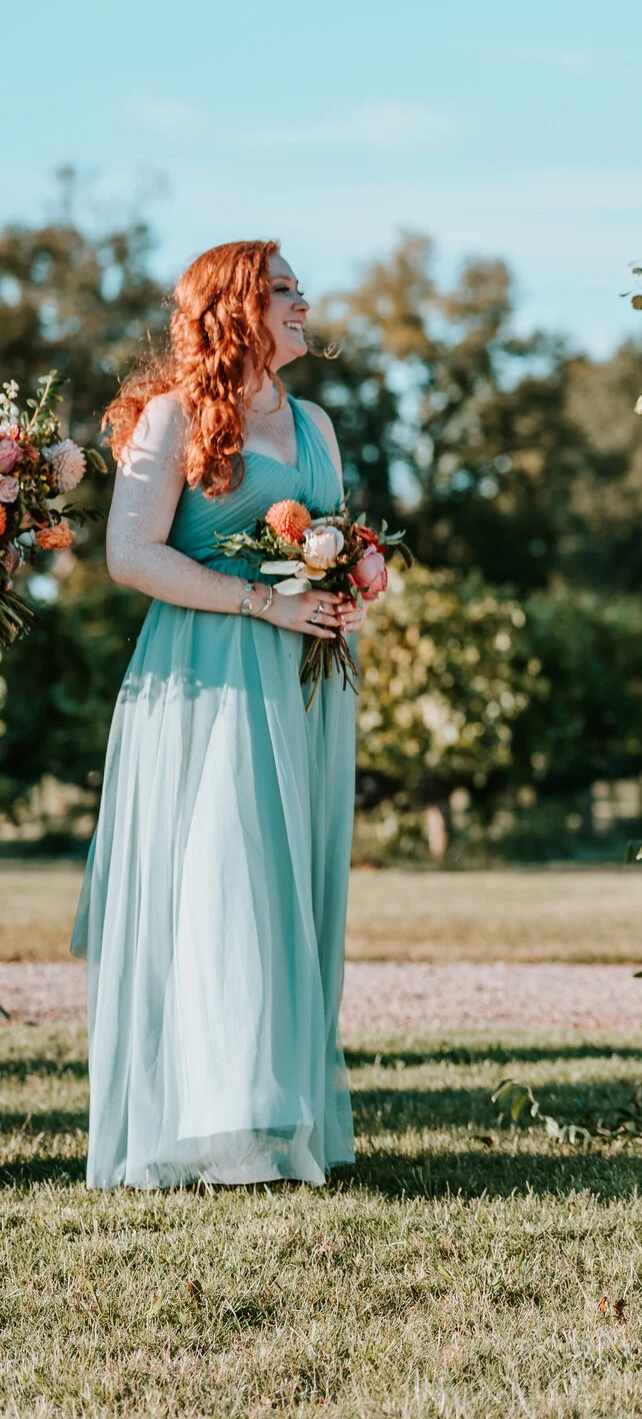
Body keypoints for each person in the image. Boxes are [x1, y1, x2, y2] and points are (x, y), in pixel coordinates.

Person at [79, 240, 365, 1189]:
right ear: (237, 306)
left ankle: (281, 1119)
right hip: (207, 678)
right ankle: (216, 1123)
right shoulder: (171, 418)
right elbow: (131, 555)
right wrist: (261, 602)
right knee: (223, 885)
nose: (303, 302)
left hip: (308, 681)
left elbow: (342, 539)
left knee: (292, 888)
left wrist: (355, 586)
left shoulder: (317, 423)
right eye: (285, 290)